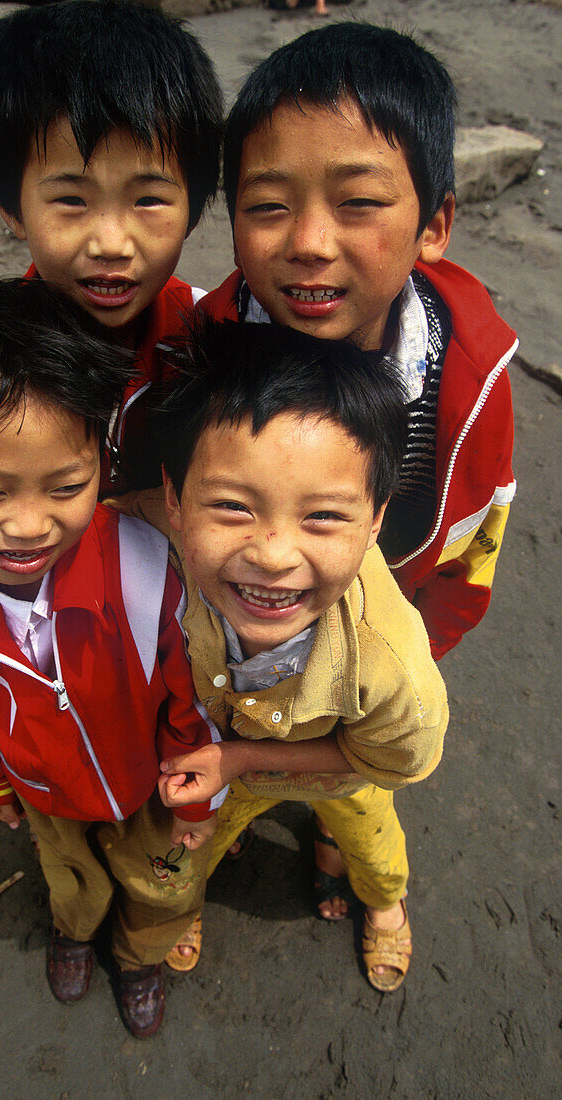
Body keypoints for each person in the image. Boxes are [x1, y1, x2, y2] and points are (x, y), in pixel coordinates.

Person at [199, 23, 517, 917]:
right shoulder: (207, 352)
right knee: (233, 763)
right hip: (245, 641)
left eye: (358, 203)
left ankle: (358, 865)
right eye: (267, 206)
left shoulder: (469, 381)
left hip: (384, 630)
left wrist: (414, 648)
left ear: (435, 225)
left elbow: (471, 541)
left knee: (359, 793)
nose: (307, 241)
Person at [0, 253, 224, 1039]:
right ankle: (73, 930)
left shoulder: (142, 569)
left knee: (159, 886)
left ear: (102, 456)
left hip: (146, 786)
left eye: (66, 486)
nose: (29, 525)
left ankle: (138, 958)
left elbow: (187, 698)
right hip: (43, 793)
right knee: (72, 879)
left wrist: (195, 792)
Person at [116, 319, 449, 991]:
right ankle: (186, 898)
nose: (272, 554)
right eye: (233, 507)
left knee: (372, 844)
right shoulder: (140, 526)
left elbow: (386, 761)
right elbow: (52, 517)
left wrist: (238, 757)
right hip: (224, 772)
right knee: (190, 851)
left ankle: (384, 903)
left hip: (329, 773)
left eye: (323, 516)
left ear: (376, 517)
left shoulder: (392, 670)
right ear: (175, 500)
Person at [0, 0, 223, 570]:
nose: (110, 242)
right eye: (71, 200)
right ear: (12, 206)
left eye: (148, 199)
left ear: (194, 207)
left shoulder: (216, 338)